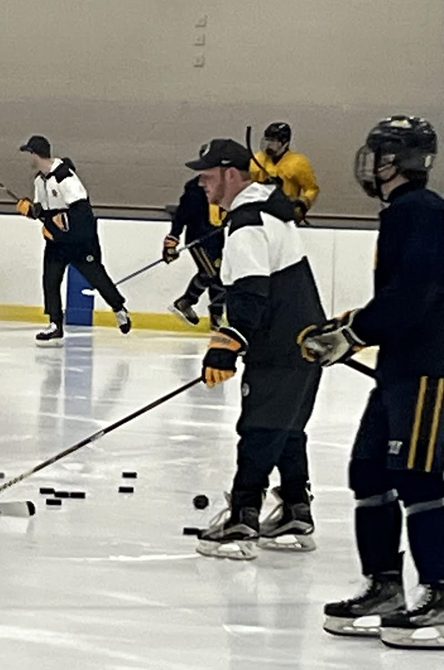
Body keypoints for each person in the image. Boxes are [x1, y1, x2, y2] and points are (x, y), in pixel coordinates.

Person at [300, 115, 444, 649]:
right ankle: (384, 587)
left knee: (419, 477)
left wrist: (356, 333)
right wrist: (352, 326)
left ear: (400, 160)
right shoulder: (403, 212)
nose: (373, 163)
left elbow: (416, 294)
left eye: (381, 154)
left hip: (430, 369)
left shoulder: (423, 212)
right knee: (368, 469)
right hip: (399, 369)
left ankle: (439, 593)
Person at [186, 138, 325, 560]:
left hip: (278, 345)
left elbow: (249, 292)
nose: (202, 184)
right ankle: (295, 510)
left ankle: (242, 520)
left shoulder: (247, 222)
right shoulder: (271, 210)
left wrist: (225, 346)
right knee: (286, 427)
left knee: (260, 427)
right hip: (305, 341)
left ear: (232, 174)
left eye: (208, 176)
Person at [15, 135, 130, 345]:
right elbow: (44, 212)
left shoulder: (64, 176)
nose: (28, 159)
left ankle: (119, 308)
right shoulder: (39, 181)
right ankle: (55, 323)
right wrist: (31, 211)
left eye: (29, 154)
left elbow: (82, 210)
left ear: (35, 154)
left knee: (95, 275)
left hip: (79, 239)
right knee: (50, 279)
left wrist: (62, 223)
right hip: (57, 242)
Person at [164, 177, 226, 330]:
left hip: (218, 240)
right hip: (198, 241)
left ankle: (216, 315)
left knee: (220, 277)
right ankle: (185, 301)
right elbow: (180, 216)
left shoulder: (229, 186)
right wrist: (172, 241)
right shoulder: (194, 190)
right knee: (209, 273)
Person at [250, 122, 320, 224]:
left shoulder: (298, 162)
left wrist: (301, 205)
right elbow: (248, 184)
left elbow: (312, 189)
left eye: (273, 141)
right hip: (260, 213)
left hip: (285, 215)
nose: (268, 144)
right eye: (267, 140)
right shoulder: (258, 159)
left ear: (285, 143)